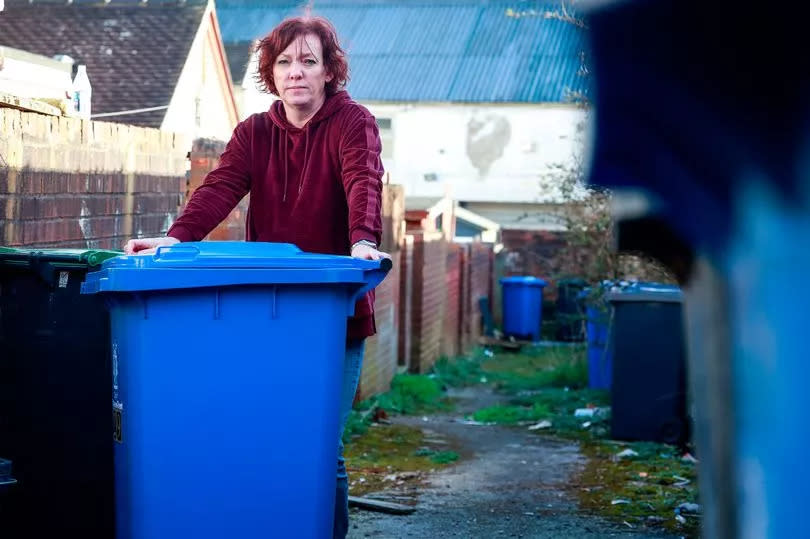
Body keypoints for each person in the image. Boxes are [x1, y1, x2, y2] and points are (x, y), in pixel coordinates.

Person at [124, 15, 388, 539]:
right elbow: (219, 187)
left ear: (329, 71)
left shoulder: (351, 122)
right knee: (264, 435)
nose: (296, 73)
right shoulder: (255, 133)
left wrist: (363, 240)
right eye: (285, 62)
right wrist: (176, 240)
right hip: (270, 313)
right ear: (271, 71)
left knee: (320, 447)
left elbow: (364, 177)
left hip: (332, 312)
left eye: (309, 61)